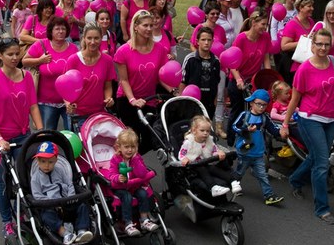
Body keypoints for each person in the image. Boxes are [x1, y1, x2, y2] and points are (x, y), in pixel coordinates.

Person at [0, 36, 44, 236]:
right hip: (0, 140)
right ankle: (7, 221)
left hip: (23, 136)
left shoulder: (26, 77)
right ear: (0, 56)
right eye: (10, 54)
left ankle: (25, 213)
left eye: (17, 53)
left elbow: (33, 107)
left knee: (26, 178)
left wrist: (40, 133)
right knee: (2, 182)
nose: (15, 57)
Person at [280, 29, 334, 225]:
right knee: (322, 162)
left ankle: (296, 180)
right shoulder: (304, 69)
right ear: (312, 45)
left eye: (326, 44)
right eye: (319, 44)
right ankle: (322, 208)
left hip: (331, 119)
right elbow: (295, 99)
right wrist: (285, 123)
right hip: (310, 118)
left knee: (315, 157)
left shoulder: (333, 62)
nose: (323, 48)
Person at [115, 10, 174, 153]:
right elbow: (123, 80)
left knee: (150, 140)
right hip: (127, 101)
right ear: (136, 27)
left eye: (151, 25)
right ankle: (130, 167)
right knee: (131, 140)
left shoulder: (159, 49)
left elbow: (161, 76)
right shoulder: (123, 51)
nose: (149, 29)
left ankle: (136, 163)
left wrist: (173, 90)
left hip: (149, 100)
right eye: (145, 25)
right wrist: (132, 100)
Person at [30, 141, 93, 245]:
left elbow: (69, 184)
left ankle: (81, 231)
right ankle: (65, 233)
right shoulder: (35, 178)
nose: (46, 165)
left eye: (50, 162)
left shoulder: (60, 170)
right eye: (43, 161)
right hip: (51, 206)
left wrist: (70, 198)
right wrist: (52, 203)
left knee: (82, 206)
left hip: (67, 202)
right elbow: (37, 196)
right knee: (46, 217)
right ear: (37, 161)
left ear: (56, 160)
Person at [23, 17, 79, 131]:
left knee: (72, 134)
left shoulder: (73, 49)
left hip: (68, 102)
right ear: (51, 31)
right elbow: (24, 61)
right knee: (48, 134)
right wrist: (40, 60)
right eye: (57, 29)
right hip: (46, 102)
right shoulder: (41, 44)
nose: (60, 31)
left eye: (63, 29)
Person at [227, 10, 272, 145]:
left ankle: (252, 141)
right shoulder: (242, 38)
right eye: (262, 24)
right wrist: (238, 79)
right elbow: (232, 62)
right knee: (238, 111)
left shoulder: (265, 37)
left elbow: (266, 59)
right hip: (238, 79)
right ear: (253, 23)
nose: (264, 28)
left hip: (253, 81)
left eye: (266, 25)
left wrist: (269, 77)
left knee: (255, 112)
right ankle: (231, 141)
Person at [232, 89, 283, 205]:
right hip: (244, 152)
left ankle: (269, 196)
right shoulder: (244, 115)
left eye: (264, 105)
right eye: (258, 104)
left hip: (258, 153)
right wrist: (245, 130)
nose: (261, 107)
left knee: (263, 176)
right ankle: (234, 185)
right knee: (239, 173)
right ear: (251, 103)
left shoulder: (265, 118)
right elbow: (234, 126)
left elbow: (274, 129)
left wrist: (281, 132)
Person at [106, 128, 159, 236]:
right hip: (120, 188)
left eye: (133, 147)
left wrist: (136, 160)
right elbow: (111, 174)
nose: (130, 150)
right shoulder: (115, 159)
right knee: (127, 197)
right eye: (126, 147)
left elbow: (142, 174)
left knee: (143, 193)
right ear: (119, 147)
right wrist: (118, 177)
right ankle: (128, 223)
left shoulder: (137, 158)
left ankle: (144, 220)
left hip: (134, 186)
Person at [65, 24, 116, 131]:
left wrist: (109, 98)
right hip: (78, 115)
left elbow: (107, 86)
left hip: (99, 113)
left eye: (96, 38)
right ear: (84, 38)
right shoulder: (73, 60)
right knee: (80, 147)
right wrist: (68, 104)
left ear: (101, 38)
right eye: (89, 38)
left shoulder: (107, 60)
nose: (93, 42)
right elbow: (65, 88)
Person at [178, 116, 234, 197]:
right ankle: (213, 187)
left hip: (206, 163)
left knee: (214, 168)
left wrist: (219, 153)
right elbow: (181, 154)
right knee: (202, 169)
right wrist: (184, 159)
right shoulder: (188, 142)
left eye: (208, 131)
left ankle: (232, 180)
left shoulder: (209, 140)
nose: (205, 133)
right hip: (193, 167)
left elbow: (214, 150)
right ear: (194, 131)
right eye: (202, 130)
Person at [181, 27, 222, 122]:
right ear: (197, 41)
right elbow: (183, 80)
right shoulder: (190, 59)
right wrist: (182, 100)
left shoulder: (216, 61)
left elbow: (217, 81)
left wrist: (215, 99)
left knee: (205, 126)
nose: (206, 43)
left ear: (212, 41)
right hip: (192, 99)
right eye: (203, 40)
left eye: (209, 40)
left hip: (209, 101)